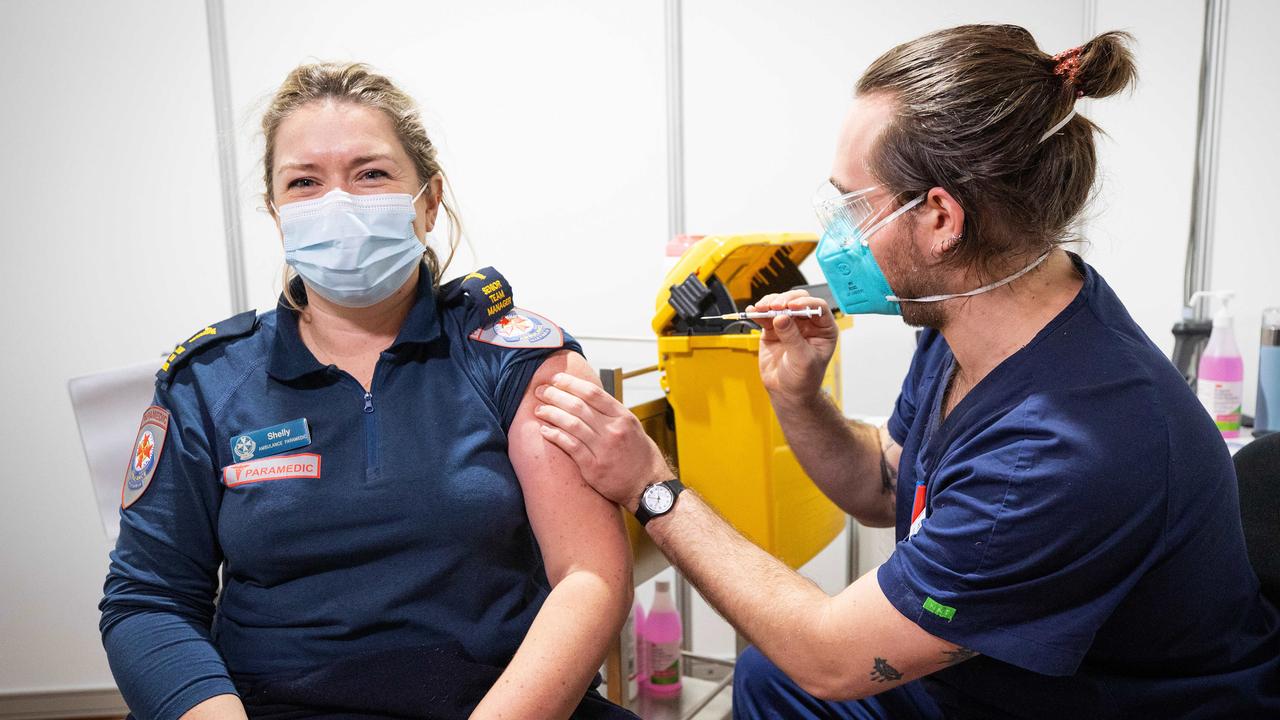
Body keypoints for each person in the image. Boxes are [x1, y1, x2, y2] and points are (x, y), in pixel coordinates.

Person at [532, 25, 1280, 719]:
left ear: (941, 220)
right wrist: (799, 399)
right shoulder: (985, 314)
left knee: (799, 673)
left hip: (1110, 704)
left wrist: (651, 487)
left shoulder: (1063, 451)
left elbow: (831, 660)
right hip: (1014, 664)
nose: (835, 232)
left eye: (852, 203)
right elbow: (886, 486)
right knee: (768, 678)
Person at [99, 62, 636, 720]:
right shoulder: (208, 382)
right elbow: (149, 602)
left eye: (371, 173)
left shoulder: (514, 358)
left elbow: (589, 576)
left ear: (429, 200)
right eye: (304, 182)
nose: (338, 204)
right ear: (276, 214)